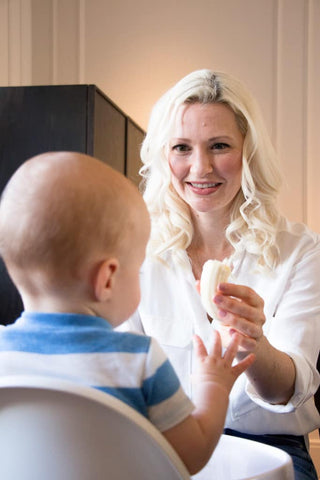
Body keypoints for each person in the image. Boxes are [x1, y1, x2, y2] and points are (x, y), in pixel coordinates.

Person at [0, 151, 254, 475]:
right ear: (107, 279)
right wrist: (213, 387)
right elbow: (188, 458)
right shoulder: (140, 361)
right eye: (137, 270)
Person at [123, 69, 320, 480]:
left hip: (265, 444)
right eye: (181, 147)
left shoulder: (300, 251)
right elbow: (120, 370)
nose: (201, 167)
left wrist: (254, 343)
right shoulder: (134, 248)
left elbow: (285, 391)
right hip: (165, 441)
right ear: (164, 155)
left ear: (248, 152)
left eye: (219, 146)